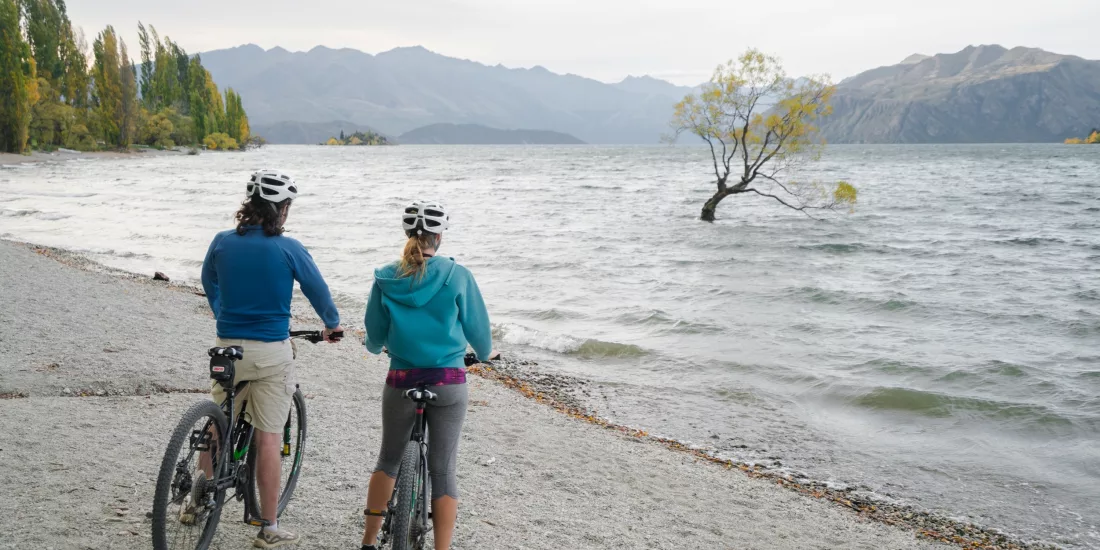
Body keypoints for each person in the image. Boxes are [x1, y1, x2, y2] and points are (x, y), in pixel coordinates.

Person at [199, 169, 344, 548]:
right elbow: (318, 290)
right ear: (280, 209)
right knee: (268, 437)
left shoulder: (221, 242)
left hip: (226, 345)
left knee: (219, 420)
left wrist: (221, 312)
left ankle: (195, 500)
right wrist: (332, 324)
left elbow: (208, 279)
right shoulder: (289, 248)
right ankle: (269, 527)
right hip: (269, 353)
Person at [360, 201, 493, 550]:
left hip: (401, 378)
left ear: (407, 234)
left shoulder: (386, 277)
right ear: (439, 236)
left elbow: (374, 335)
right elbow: (479, 331)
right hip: (448, 380)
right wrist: (484, 354)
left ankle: (369, 542)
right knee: (443, 469)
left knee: (388, 458)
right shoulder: (458, 275)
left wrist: (377, 347)